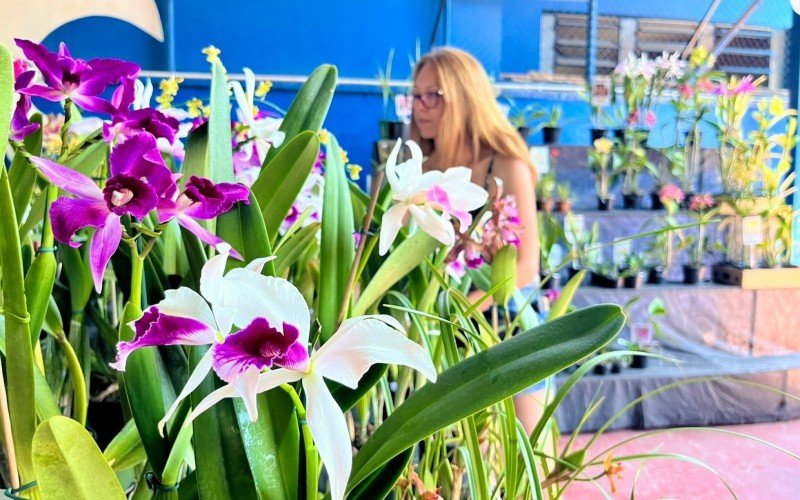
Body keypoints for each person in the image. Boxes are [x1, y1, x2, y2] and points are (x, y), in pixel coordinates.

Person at [408, 47, 546, 435]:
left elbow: (525, 266)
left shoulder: (504, 164)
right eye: (417, 96)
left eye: (434, 95)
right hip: (441, 321)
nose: (421, 107)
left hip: (504, 318)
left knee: (524, 454)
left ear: (466, 97)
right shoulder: (422, 168)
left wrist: (460, 311)